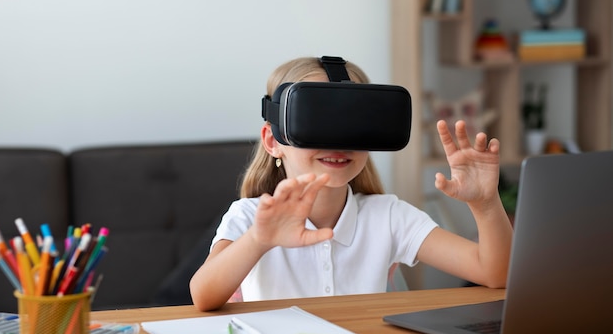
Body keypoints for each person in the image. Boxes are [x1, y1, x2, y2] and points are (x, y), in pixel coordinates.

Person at [190, 56, 513, 311]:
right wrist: (259, 239)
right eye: (318, 122)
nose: (338, 143)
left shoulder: (388, 216)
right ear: (273, 141)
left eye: (353, 124)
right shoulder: (250, 217)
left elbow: (495, 273)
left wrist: (485, 204)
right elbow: (202, 296)